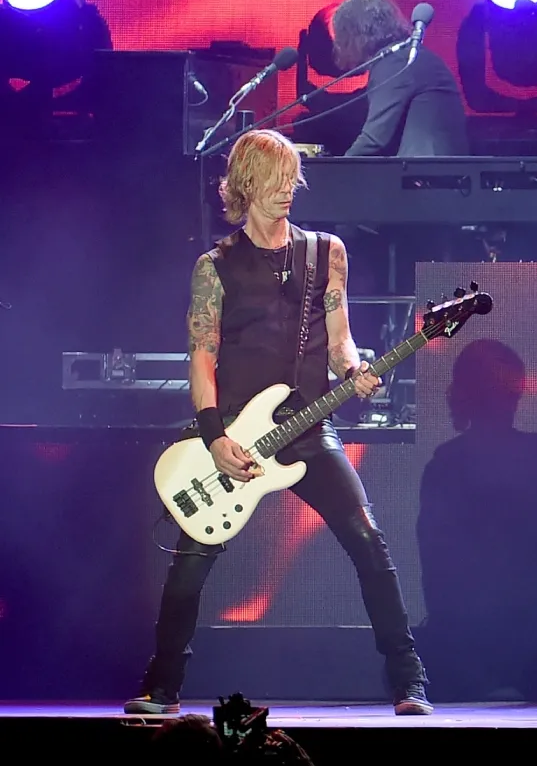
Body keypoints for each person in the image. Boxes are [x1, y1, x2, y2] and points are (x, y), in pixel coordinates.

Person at [126, 129, 432, 716]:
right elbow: (201, 355)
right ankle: (161, 686)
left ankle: (408, 679)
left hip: (310, 429)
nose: (288, 188)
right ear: (246, 185)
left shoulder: (326, 252)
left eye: (293, 177)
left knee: (368, 540)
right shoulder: (215, 266)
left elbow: (342, 341)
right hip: (236, 435)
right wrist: (215, 438)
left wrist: (357, 368)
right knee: (192, 559)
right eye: (276, 179)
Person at [415, 338, 537, 701]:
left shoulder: (444, 463)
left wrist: (445, 628)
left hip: (475, 633)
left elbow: (433, 557)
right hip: (515, 629)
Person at [333, 0, 469, 157]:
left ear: (353, 35)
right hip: (436, 171)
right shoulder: (403, 57)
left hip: (425, 176)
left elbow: (374, 139)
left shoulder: (395, 62)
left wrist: (334, 174)